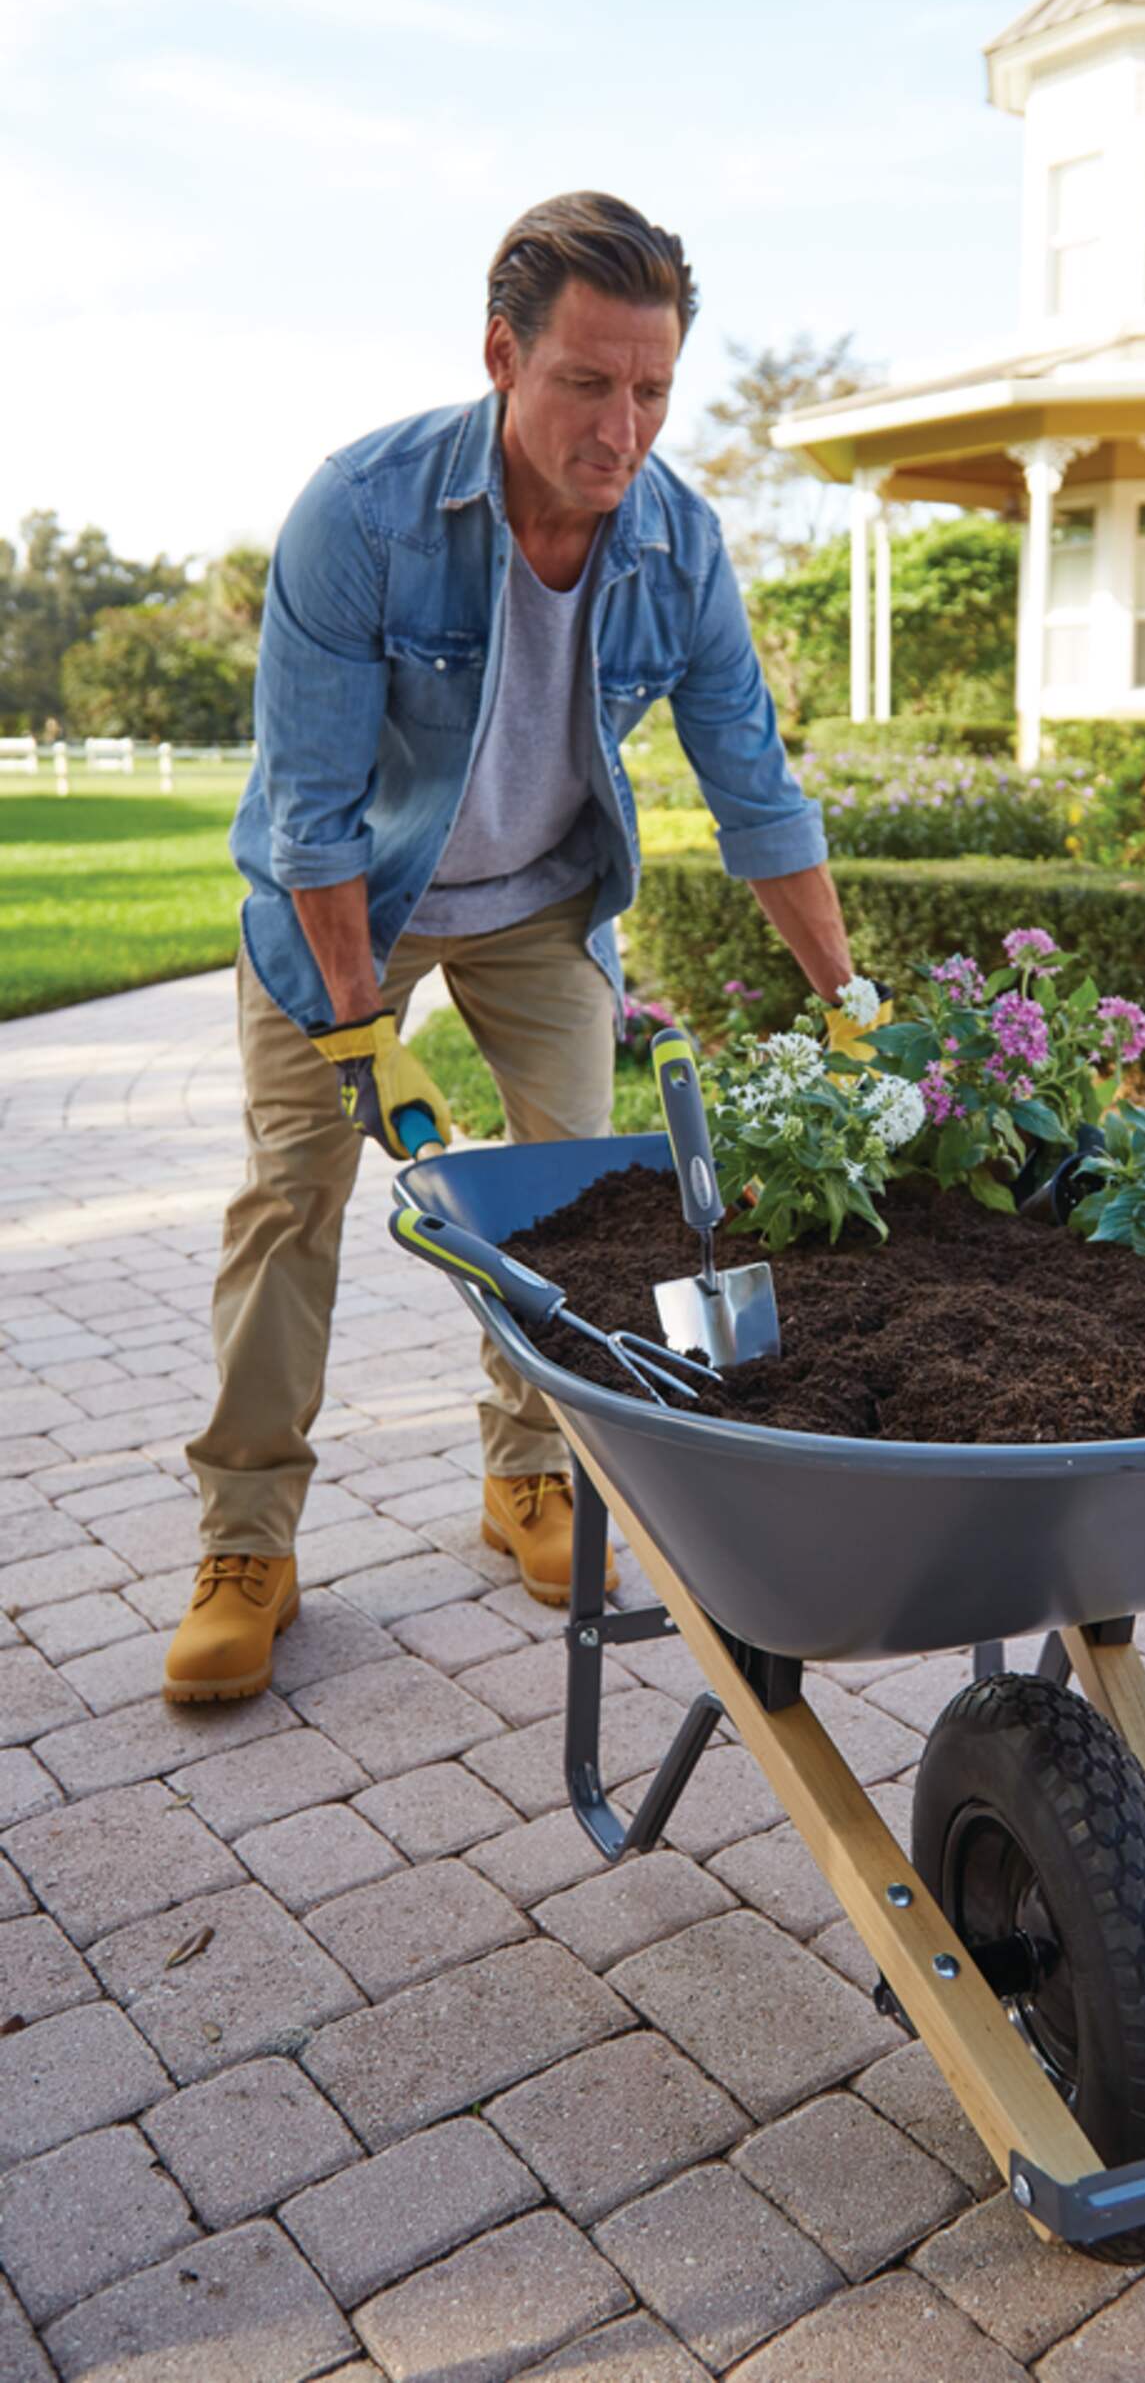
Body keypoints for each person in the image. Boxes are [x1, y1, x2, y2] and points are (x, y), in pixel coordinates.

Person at [166, 191, 855, 1704]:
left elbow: (758, 793)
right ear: (502, 356)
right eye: (588, 383)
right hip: (343, 912)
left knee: (587, 1196)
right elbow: (314, 813)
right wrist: (363, 1030)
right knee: (294, 1200)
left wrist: (851, 1005)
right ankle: (246, 1546)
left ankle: (529, 1473)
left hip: (541, 904)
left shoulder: (679, 544)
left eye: (655, 389)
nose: (624, 428)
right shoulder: (364, 513)